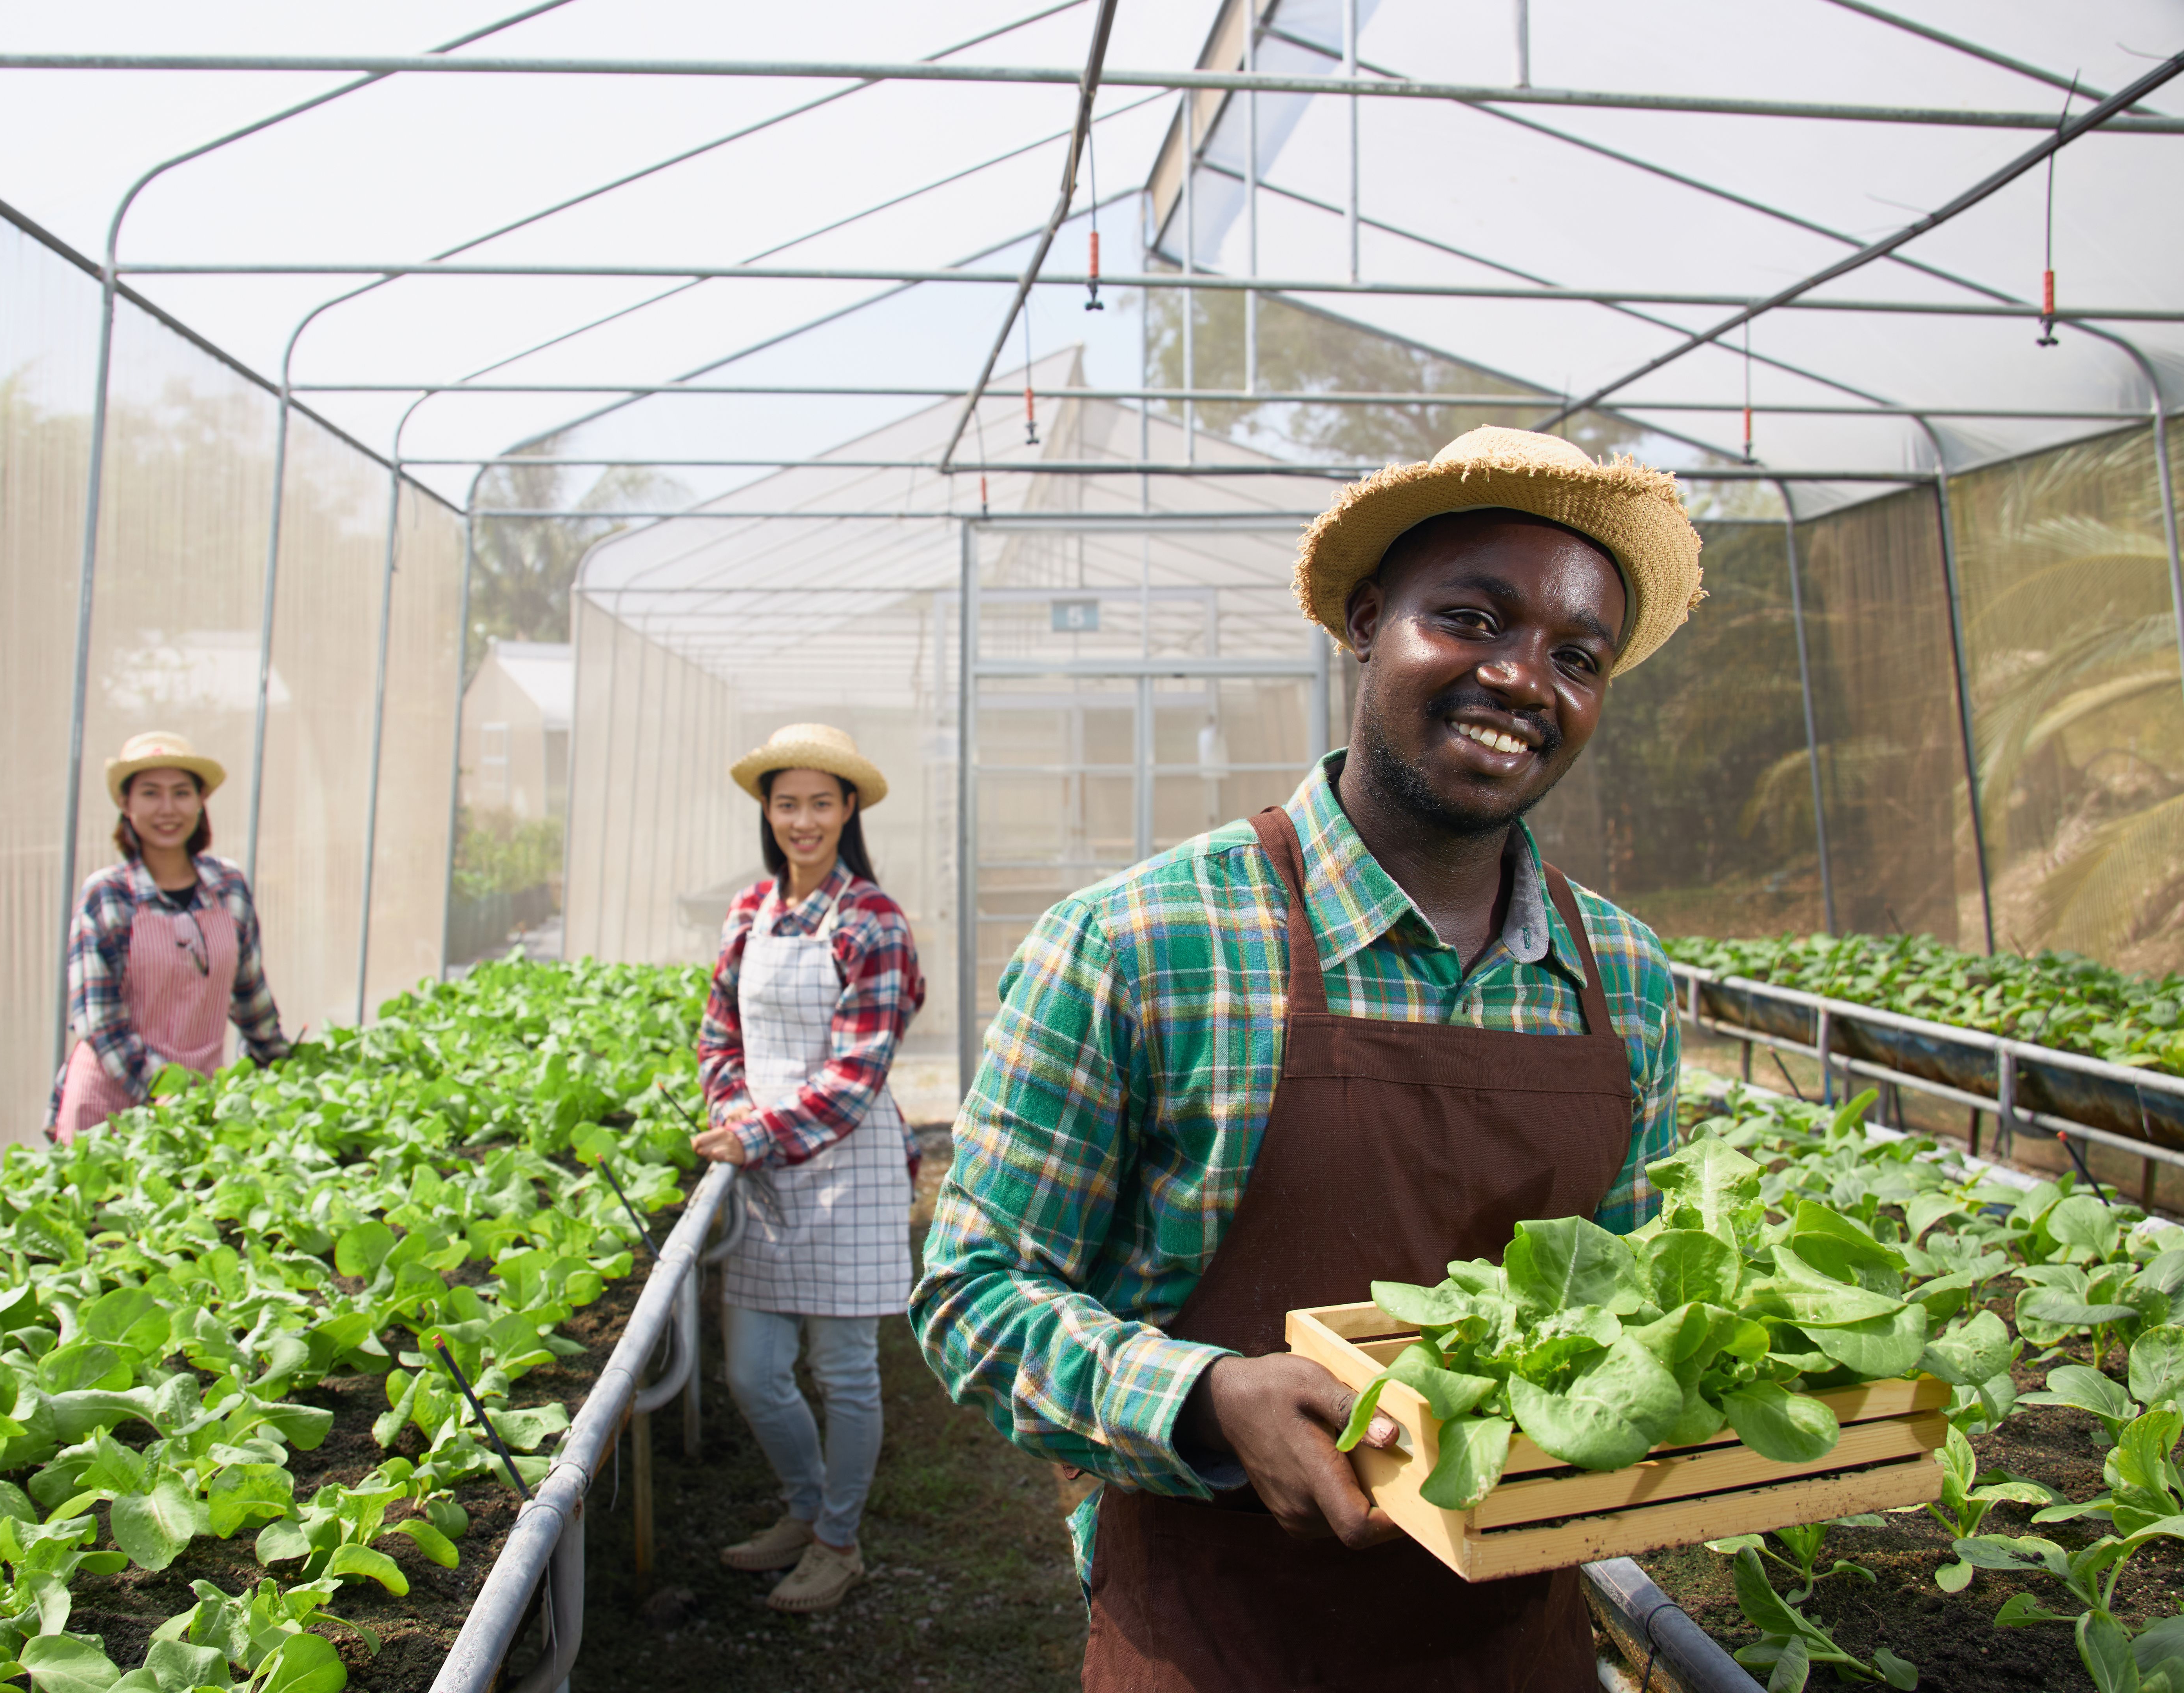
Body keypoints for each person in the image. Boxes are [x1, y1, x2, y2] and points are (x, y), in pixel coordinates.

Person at [911, 427, 1703, 1691]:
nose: (1521, 679)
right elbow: (972, 1294)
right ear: (1368, 621)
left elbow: (1629, 1297)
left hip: (1513, 1643)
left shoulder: (1626, 979)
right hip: (1217, 1632)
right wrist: (1206, 1400)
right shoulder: (1138, 943)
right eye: (1472, 619)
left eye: (1576, 657)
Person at [692, 723, 926, 1615]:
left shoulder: (872, 920)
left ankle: (838, 1539)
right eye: (785, 803)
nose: (801, 820)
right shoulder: (750, 910)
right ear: (767, 810)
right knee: (752, 1370)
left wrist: (756, 1134)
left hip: (847, 1167)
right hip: (763, 1160)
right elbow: (720, 1032)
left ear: (847, 810)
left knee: (844, 1373)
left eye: (819, 803)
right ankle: (802, 1508)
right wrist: (729, 1110)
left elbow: (856, 1072)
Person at [50, 730, 289, 1143]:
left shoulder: (227, 886)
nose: (168, 809)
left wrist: (283, 1063)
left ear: (200, 802)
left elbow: (250, 994)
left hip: (197, 1102)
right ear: (126, 804)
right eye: (150, 793)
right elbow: (99, 1023)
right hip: (111, 1108)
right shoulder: (107, 895)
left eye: (181, 793)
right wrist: (166, 1087)